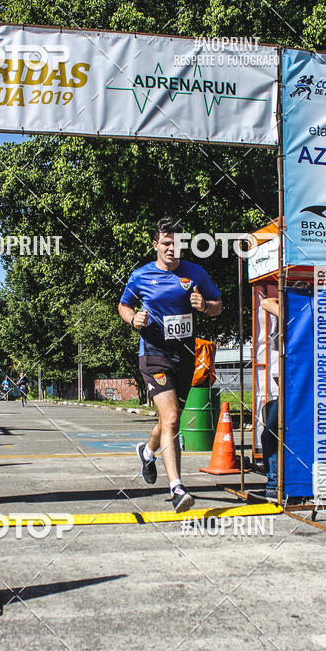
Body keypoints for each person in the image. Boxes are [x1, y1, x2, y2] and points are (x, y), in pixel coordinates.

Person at [118, 216, 222, 512]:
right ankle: (177, 488)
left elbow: (218, 306)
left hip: (185, 356)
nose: (172, 248)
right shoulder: (141, 276)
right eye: (166, 243)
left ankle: (147, 452)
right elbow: (124, 305)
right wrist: (133, 319)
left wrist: (205, 306)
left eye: (177, 243)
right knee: (173, 418)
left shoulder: (195, 273)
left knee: (168, 419)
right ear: (156, 245)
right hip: (153, 353)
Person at [259, 297, 279, 499]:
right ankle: (274, 482)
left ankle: (274, 484)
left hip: (298, 393)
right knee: (269, 429)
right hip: (290, 391)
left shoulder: (296, 316)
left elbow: (266, 303)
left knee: (269, 435)